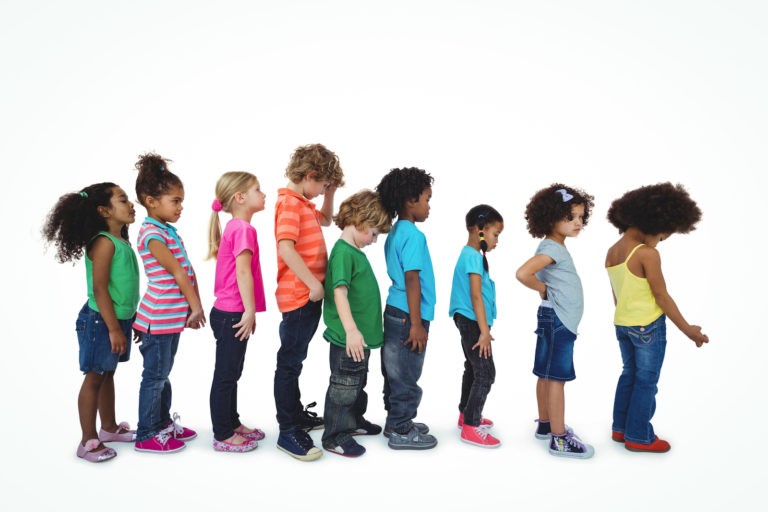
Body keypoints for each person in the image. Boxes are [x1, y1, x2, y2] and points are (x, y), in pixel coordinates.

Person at [605, 182, 708, 453]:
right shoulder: (647, 254)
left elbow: (618, 295)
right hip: (648, 327)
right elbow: (662, 297)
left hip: (623, 324)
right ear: (652, 221)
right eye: (664, 235)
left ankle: (620, 427)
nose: (662, 241)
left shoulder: (612, 252)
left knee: (629, 374)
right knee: (646, 381)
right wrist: (689, 330)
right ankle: (638, 436)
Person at [43, 182, 140, 462]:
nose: (131, 204)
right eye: (123, 200)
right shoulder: (103, 242)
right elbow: (100, 289)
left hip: (118, 319)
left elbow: (122, 289)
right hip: (100, 321)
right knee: (95, 376)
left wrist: (129, 322)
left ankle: (108, 428)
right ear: (104, 210)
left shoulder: (121, 241)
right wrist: (112, 328)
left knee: (107, 373)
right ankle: (87, 441)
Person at [274, 143, 345, 461]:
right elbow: (286, 248)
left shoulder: (302, 202)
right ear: (310, 175)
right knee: (288, 364)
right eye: (321, 185)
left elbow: (327, 220)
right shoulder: (289, 204)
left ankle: (296, 415)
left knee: (296, 360)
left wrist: (329, 192)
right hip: (300, 296)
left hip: (309, 295)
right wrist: (313, 284)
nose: (320, 193)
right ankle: (288, 430)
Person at [516, 183, 595, 459]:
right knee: (557, 379)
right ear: (552, 218)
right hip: (559, 320)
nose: (578, 223)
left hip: (554, 318)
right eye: (570, 217)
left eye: (580, 217)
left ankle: (546, 424)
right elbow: (523, 273)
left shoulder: (553, 246)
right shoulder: (552, 249)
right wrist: (543, 289)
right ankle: (559, 438)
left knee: (545, 374)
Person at [133, 152, 205, 454]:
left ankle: (161, 423)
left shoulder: (168, 231)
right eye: (175, 201)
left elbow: (188, 270)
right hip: (158, 318)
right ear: (151, 201)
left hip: (171, 318)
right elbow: (176, 272)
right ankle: (147, 433)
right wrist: (196, 307)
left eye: (181, 200)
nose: (181, 207)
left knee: (163, 374)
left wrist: (194, 305)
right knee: (155, 376)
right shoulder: (151, 233)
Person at [321, 190, 391, 457]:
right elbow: (339, 292)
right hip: (348, 339)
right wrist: (351, 330)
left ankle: (353, 422)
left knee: (357, 382)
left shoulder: (354, 252)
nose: (374, 240)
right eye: (373, 233)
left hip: (361, 340)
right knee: (343, 387)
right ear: (360, 219)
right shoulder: (343, 253)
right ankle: (334, 435)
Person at [376, 167, 438, 450]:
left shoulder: (396, 232)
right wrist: (416, 324)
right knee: (407, 373)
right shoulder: (413, 235)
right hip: (408, 315)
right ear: (410, 201)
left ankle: (396, 420)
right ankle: (402, 428)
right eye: (426, 199)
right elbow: (412, 278)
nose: (428, 206)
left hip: (394, 310)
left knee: (394, 371)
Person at [207, 171, 268, 453]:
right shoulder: (243, 229)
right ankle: (222, 434)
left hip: (228, 312)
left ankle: (232, 423)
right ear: (240, 197)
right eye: (258, 189)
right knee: (226, 375)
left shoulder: (235, 227)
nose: (263, 194)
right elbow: (243, 272)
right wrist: (250, 311)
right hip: (233, 313)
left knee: (231, 372)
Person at [449, 205, 504, 448]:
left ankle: (465, 415)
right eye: (496, 234)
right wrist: (484, 331)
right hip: (472, 321)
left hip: (470, 319)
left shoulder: (473, 255)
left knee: (473, 368)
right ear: (479, 229)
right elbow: (476, 296)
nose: (497, 241)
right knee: (485, 373)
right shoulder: (472, 256)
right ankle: (471, 426)